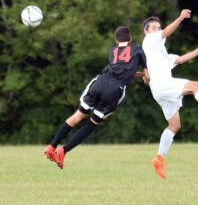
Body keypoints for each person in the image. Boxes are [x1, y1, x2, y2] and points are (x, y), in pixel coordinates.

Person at [142, 9, 198, 179]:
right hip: (163, 85)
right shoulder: (150, 40)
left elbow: (181, 59)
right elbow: (167, 31)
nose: (157, 29)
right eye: (153, 27)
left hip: (159, 90)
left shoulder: (160, 52)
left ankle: (159, 160)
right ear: (146, 31)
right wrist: (180, 18)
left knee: (174, 125)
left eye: (158, 27)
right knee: (194, 85)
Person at [44, 26, 149, 169]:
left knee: (77, 116)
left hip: (100, 82)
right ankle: (63, 151)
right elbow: (143, 74)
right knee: (92, 124)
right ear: (130, 39)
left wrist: (139, 74)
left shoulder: (112, 50)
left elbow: (121, 68)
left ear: (115, 40)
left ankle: (52, 146)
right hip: (115, 89)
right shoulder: (137, 49)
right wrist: (146, 78)